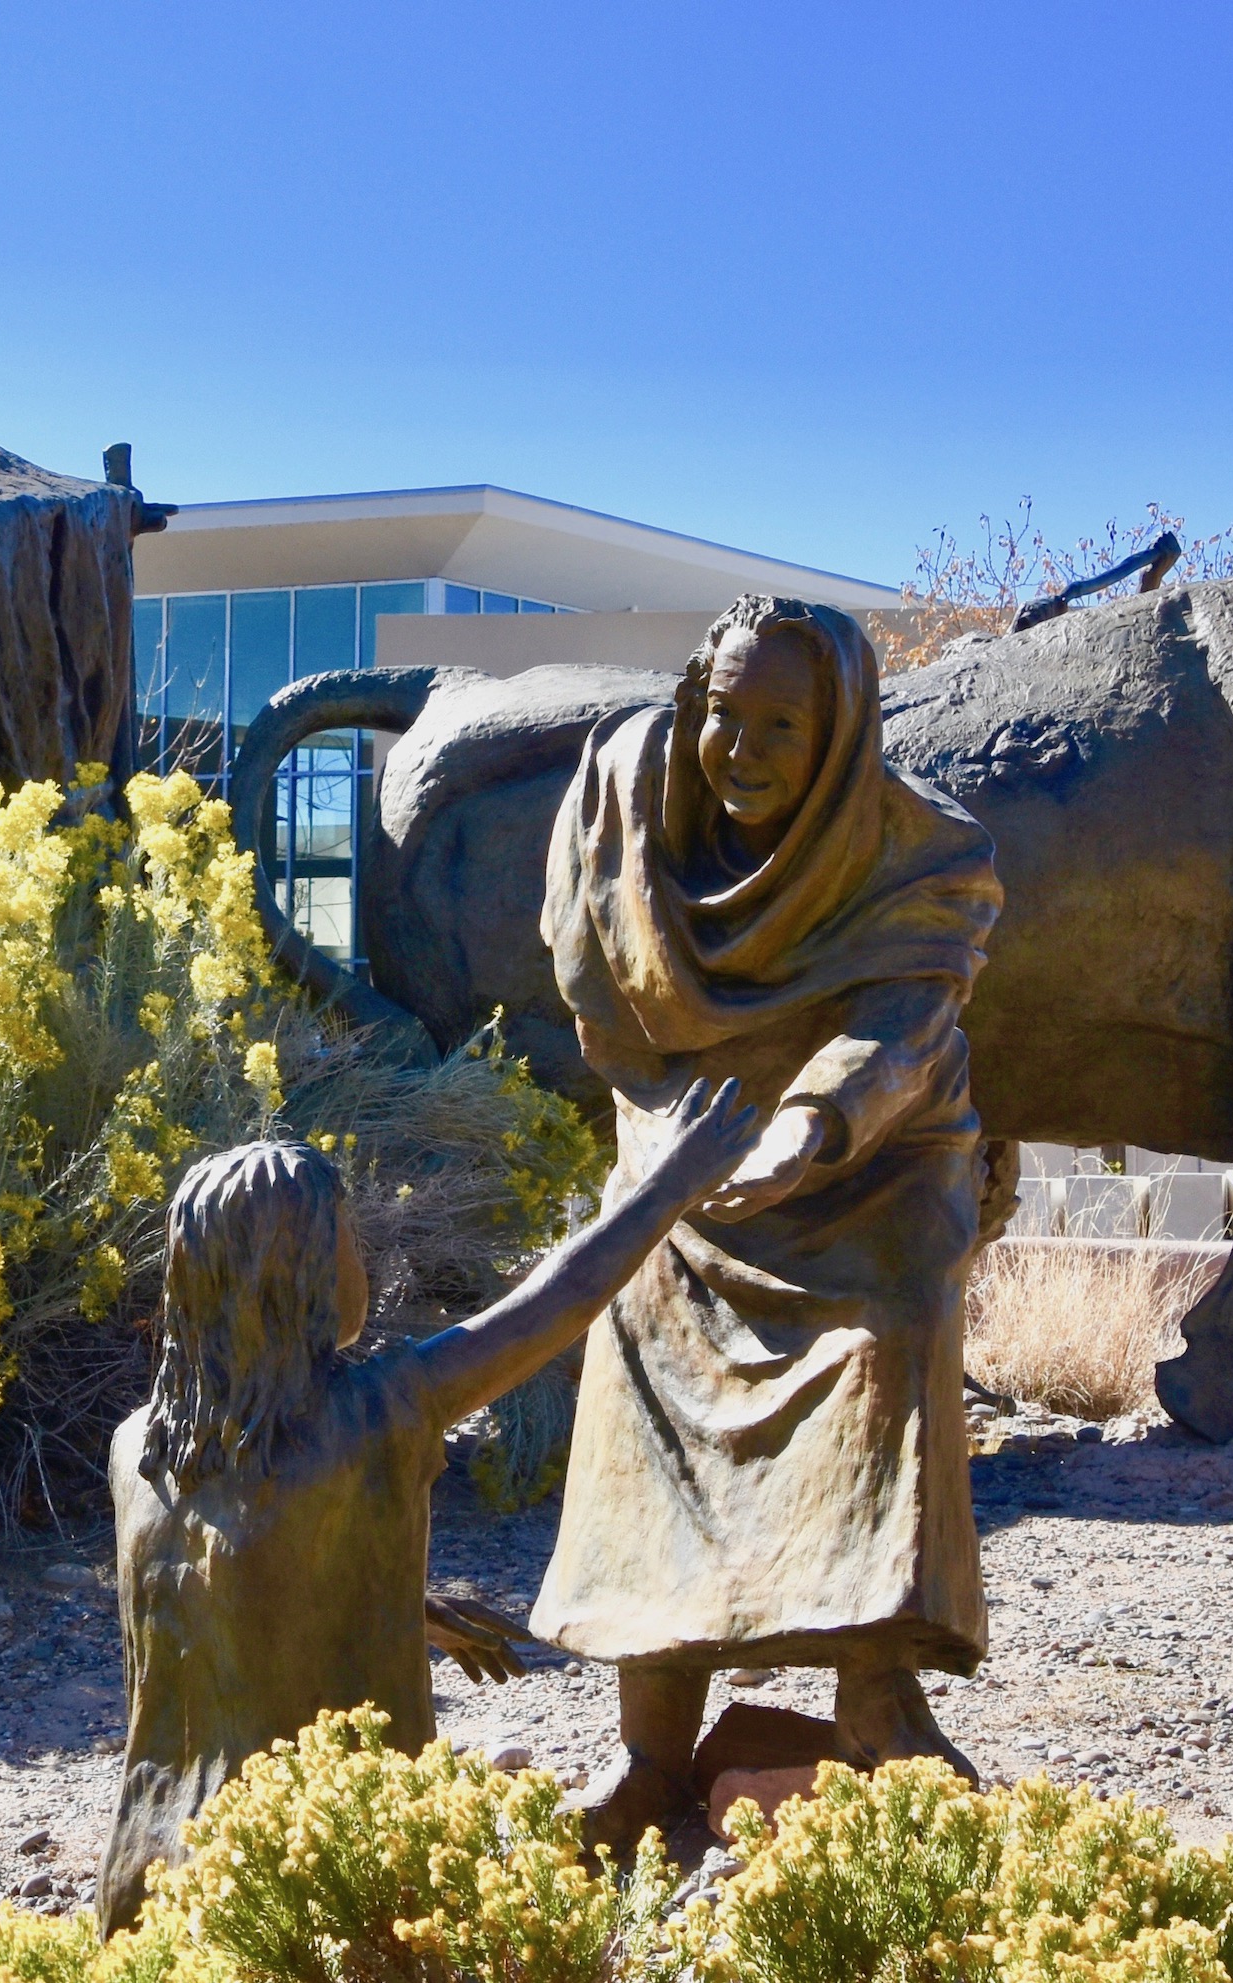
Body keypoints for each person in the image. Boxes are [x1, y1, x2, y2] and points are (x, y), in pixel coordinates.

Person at [528, 594, 1004, 1859]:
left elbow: (899, 1030)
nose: (740, 751)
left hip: (873, 1164)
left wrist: (808, 1131)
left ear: (840, 735)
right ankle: (646, 1754)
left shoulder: (927, 854)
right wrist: (684, 1146)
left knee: (891, 1325)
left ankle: (877, 1702)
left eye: (780, 726)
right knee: (638, 1330)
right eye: (722, 716)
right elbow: (600, 992)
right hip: (692, 1144)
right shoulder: (630, 804)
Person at [99, 1078, 767, 1930]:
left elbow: (218, 1582)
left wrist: (394, 1601)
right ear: (299, 1267)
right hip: (313, 1881)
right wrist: (673, 1180)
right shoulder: (370, 1413)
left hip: (149, 1886)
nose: (359, 1258)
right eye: (346, 1236)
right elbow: (555, 1305)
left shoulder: (138, 1450)